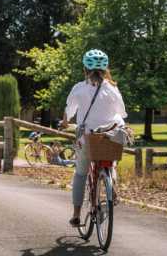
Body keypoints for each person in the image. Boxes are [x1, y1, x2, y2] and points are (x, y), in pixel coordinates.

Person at [59, 49, 127, 228]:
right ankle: (112, 186)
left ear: (85, 69)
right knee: (111, 163)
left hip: (88, 138)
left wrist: (65, 123)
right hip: (110, 136)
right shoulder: (112, 89)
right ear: (105, 69)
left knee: (80, 173)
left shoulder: (79, 88)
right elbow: (122, 113)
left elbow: (69, 113)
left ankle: (76, 214)